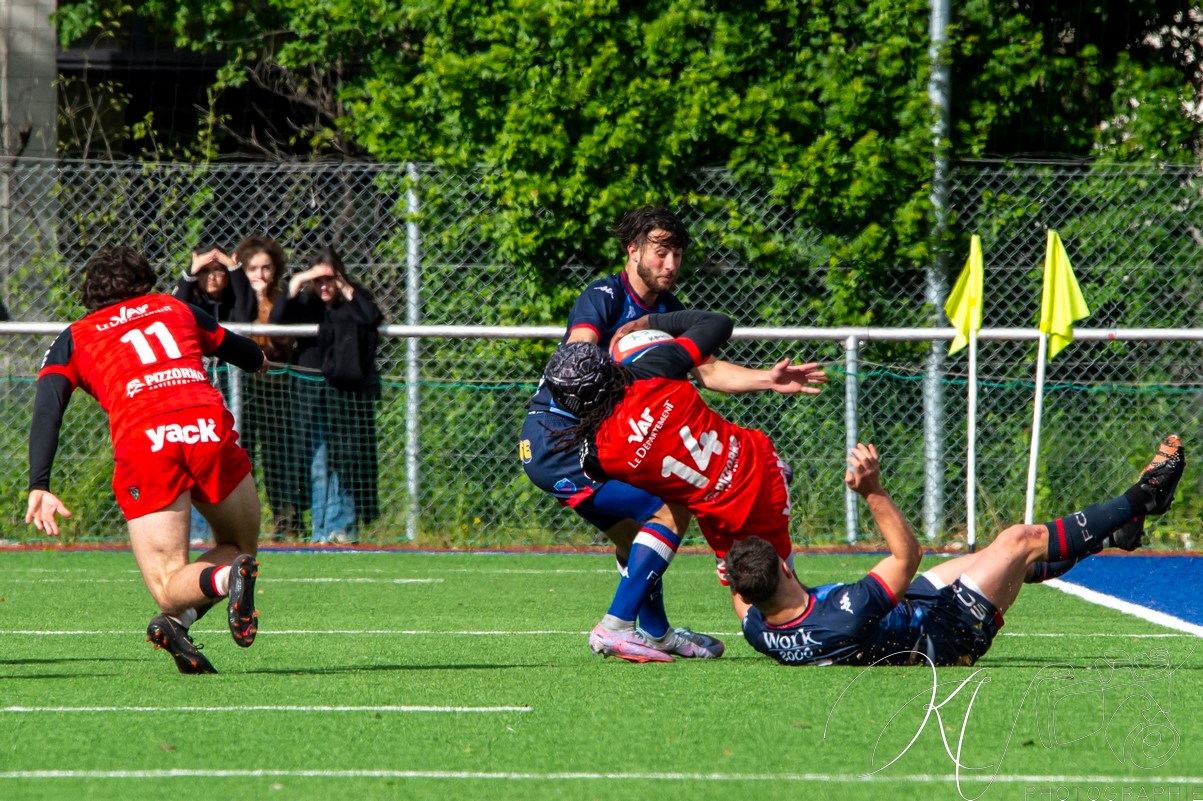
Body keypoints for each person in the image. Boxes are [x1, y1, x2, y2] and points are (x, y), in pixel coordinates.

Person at [523, 208, 827, 663]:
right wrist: (634, 362)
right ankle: (616, 628)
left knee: (638, 536)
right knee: (669, 508)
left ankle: (656, 633)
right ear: (634, 250)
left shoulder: (666, 312)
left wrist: (767, 378)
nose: (670, 265)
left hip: (602, 440)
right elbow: (579, 353)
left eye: (677, 255)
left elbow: (706, 369)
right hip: (560, 436)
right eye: (661, 252)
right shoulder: (605, 295)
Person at [726, 435, 1184, 667]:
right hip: (945, 634)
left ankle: (1113, 538)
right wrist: (872, 490)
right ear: (785, 570)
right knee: (1017, 542)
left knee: (1007, 560)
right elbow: (908, 555)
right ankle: (1145, 498)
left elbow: (743, 593)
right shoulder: (847, 609)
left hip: (911, 614)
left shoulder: (759, 631)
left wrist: (731, 557)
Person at [25, 245, 268, 674]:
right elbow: (244, 352)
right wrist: (260, 360)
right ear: (144, 281)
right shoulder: (174, 307)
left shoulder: (76, 335)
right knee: (240, 547)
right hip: (207, 427)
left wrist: (39, 484)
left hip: (148, 440)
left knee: (167, 585)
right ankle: (183, 621)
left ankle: (224, 583)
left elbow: (48, 407)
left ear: (90, 294)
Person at [543, 309, 814, 660]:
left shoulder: (599, 456)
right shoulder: (657, 367)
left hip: (720, 512)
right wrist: (647, 324)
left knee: (740, 584)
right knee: (786, 579)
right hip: (760, 471)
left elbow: (613, 462)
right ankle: (809, 633)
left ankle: (776, 644)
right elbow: (720, 323)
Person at [270, 246, 382, 543]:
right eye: (318, 281)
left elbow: (372, 317)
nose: (324, 287)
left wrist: (345, 286)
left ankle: (341, 526)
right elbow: (277, 321)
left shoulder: (351, 300)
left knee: (343, 461)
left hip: (344, 393)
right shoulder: (305, 302)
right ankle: (322, 529)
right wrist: (298, 282)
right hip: (310, 391)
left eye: (328, 280)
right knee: (318, 463)